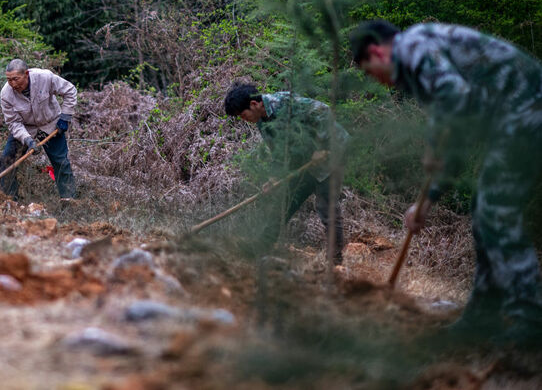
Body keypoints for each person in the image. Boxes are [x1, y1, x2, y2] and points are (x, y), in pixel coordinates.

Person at [349, 20, 542, 343]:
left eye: (371, 72)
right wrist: (427, 201)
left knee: (494, 211)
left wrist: (433, 144)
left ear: (376, 51)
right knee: (483, 213)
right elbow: (456, 142)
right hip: (515, 120)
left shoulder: (413, 45)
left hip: (528, 112)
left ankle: (531, 320)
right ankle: (483, 316)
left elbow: (453, 98)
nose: (380, 83)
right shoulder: (421, 62)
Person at [224, 82, 350, 264]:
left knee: (326, 207)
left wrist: (322, 147)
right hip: (304, 161)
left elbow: (323, 111)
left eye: (244, 115)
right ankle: (261, 247)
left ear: (254, 105)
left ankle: (335, 261)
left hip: (331, 154)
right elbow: (278, 150)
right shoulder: (262, 120)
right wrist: (274, 177)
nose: (245, 120)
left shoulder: (284, 103)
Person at [0, 58, 77, 202]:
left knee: (61, 162)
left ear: (26, 74)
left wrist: (65, 117)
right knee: (7, 159)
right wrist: (27, 139)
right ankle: (9, 201)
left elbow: (70, 91)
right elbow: (13, 122)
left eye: (16, 79)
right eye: (9, 80)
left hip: (51, 124)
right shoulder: (6, 94)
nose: (13, 84)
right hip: (25, 128)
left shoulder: (45, 77)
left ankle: (68, 200)